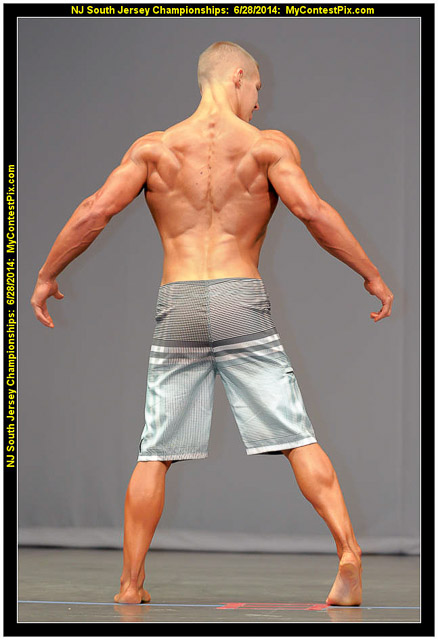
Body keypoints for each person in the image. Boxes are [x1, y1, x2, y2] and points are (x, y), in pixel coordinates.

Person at [31, 41, 393, 607]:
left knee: (155, 450)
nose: (258, 102)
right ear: (238, 77)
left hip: (178, 301)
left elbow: (94, 210)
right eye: (258, 89)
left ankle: (130, 583)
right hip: (238, 297)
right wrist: (370, 274)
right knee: (296, 436)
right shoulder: (267, 147)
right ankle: (348, 550)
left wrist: (46, 274)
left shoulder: (154, 149)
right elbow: (313, 212)